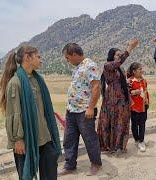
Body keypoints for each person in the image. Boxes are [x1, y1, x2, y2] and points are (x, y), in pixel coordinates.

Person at [0, 45, 61, 180]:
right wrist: (18, 140)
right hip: (26, 139)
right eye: (38, 57)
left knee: (51, 169)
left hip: (44, 136)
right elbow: (13, 114)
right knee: (25, 175)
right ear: (27, 57)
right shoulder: (15, 83)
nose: (41, 60)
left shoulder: (38, 80)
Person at [58, 43, 102, 176]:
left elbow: (96, 88)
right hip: (72, 110)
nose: (67, 60)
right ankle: (70, 165)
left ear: (75, 55)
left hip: (84, 111)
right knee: (69, 139)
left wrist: (90, 108)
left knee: (89, 138)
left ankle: (96, 164)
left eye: (67, 57)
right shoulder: (78, 67)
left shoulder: (90, 65)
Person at [97, 38, 139, 154]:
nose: (119, 57)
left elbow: (124, 84)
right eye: (117, 55)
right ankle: (110, 146)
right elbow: (119, 62)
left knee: (122, 121)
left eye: (120, 55)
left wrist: (129, 98)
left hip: (122, 99)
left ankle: (119, 146)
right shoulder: (107, 66)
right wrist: (129, 48)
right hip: (112, 99)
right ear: (112, 56)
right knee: (112, 121)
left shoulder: (120, 68)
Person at [127, 62, 150, 152]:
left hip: (143, 107)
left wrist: (147, 103)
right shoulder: (129, 81)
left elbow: (146, 92)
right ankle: (136, 140)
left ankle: (141, 141)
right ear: (134, 71)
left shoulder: (144, 81)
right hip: (134, 107)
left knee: (142, 124)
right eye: (140, 69)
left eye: (141, 69)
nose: (142, 71)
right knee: (134, 124)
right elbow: (127, 93)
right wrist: (134, 92)